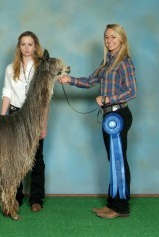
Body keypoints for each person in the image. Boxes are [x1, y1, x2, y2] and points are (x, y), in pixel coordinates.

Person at [58, 24, 137, 218]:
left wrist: (107, 99)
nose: (109, 41)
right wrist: (70, 80)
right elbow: (90, 80)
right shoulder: (106, 62)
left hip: (119, 115)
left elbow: (132, 90)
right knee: (113, 161)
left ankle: (121, 207)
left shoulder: (124, 62)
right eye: (106, 37)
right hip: (109, 116)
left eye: (113, 37)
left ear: (122, 40)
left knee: (119, 161)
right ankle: (112, 204)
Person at [1, 31, 46, 212]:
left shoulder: (41, 68)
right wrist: (2, 119)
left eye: (30, 44)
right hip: (14, 117)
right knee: (13, 159)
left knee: (37, 158)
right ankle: (15, 197)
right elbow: (7, 94)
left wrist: (43, 124)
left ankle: (36, 199)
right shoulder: (10, 68)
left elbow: (44, 99)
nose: (26, 48)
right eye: (23, 44)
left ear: (35, 46)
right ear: (18, 47)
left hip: (34, 118)